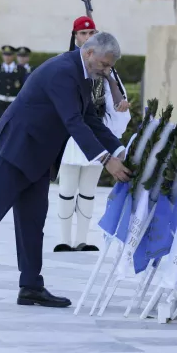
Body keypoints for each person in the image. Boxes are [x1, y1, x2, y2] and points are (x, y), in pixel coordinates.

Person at [0, 33, 132, 310]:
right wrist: (106, 160)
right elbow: (73, 122)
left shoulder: (82, 73)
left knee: (33, 223)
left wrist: (120, 151)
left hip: (38, 156)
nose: (107, 72)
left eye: (110, 67)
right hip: (14, 151)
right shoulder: (62, 71)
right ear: (89, 52)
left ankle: (31, 286)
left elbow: (88, 118)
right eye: (105, 65)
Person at [55, 19, 132, 252]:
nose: (86, 35)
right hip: (72, 135)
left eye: (91, 32)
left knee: (88, 190)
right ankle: (64, 238)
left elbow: (113, 99)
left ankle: (81, 239)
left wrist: (119, 107)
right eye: (82, 32)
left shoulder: (105, 69)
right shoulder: (67, 64)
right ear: (75, 36)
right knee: (67, 188)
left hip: (96, 130)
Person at [0, 45, 26, 123]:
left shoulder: (21, 70)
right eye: (5, 55)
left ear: (13, 56)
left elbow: (24, 90)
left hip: (14, 104)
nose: (7, 57)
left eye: (9, 55)